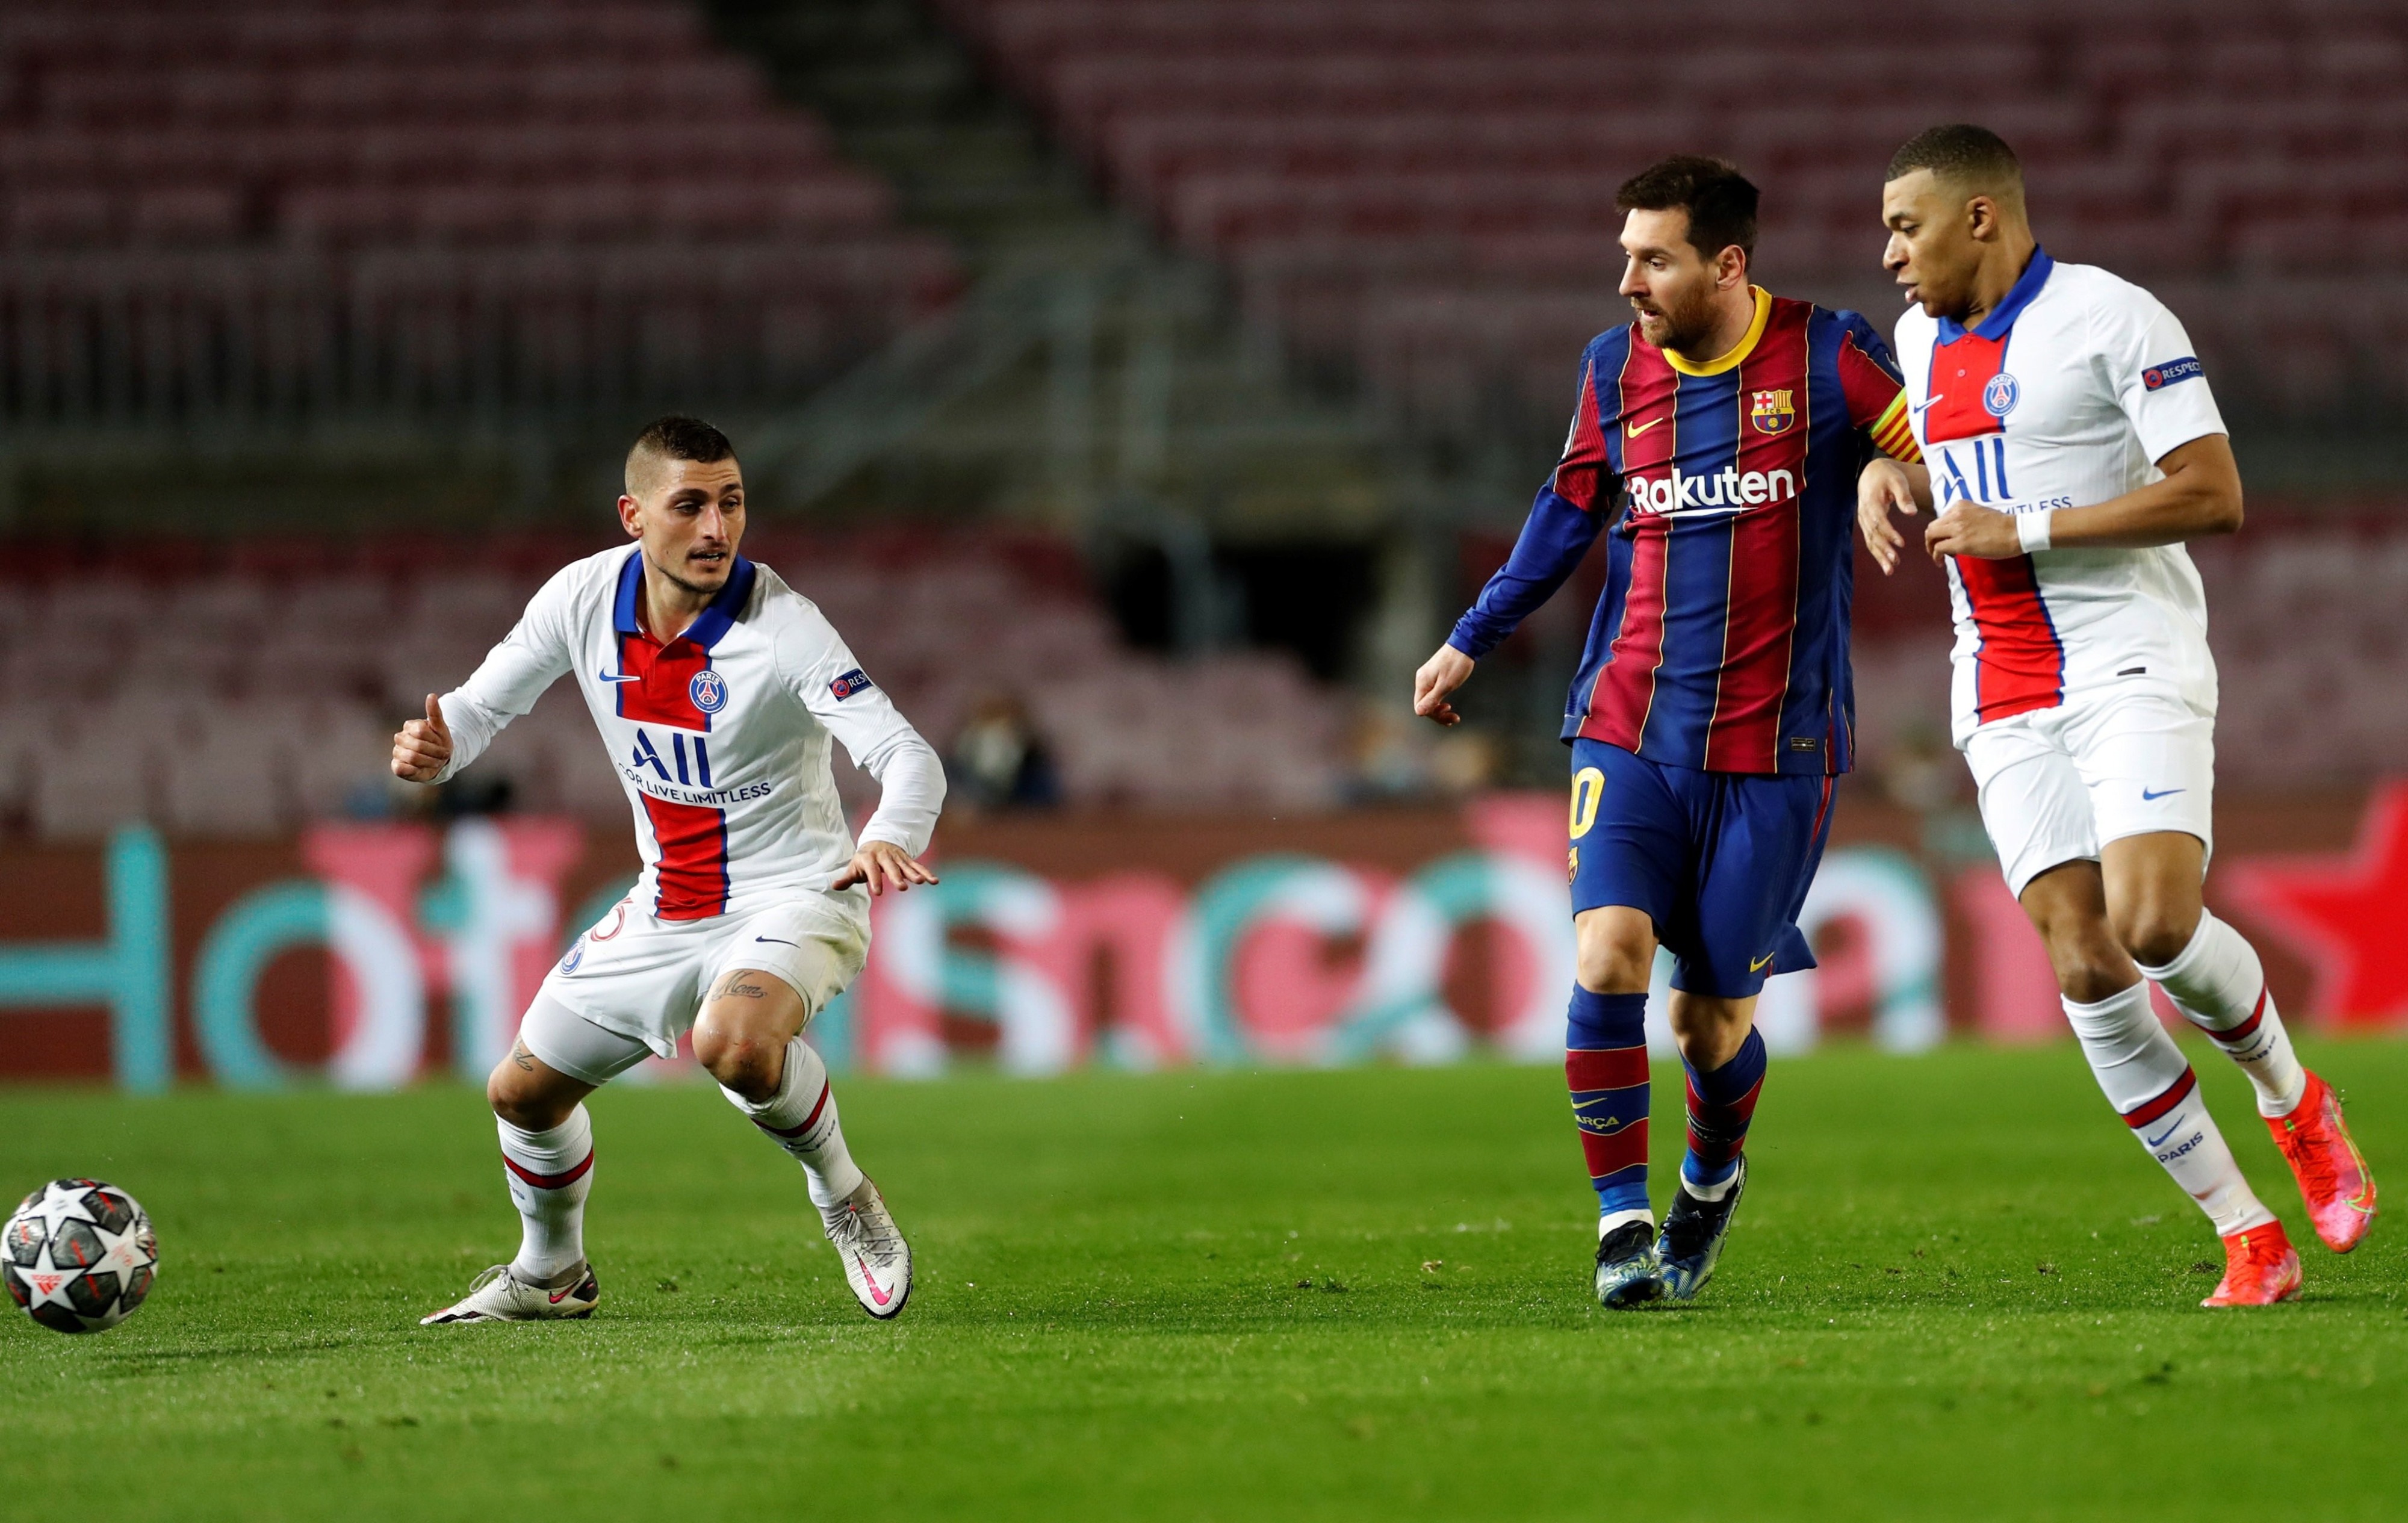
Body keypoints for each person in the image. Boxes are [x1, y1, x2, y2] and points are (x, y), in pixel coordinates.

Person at [1860, 125, 2376, 1306]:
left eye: (1904, 224)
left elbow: (2213, 491)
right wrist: (1881, 472)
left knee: (2151, 923)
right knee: (2084, 960)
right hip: (1996, 683)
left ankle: (2292, 1099)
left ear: (1978, 217)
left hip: (2126, 656)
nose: (1888, 253)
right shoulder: (1913, 338)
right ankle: (2246, 1232)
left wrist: (2024, 531)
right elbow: (1944, 452)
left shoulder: (2111, 317)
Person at [1414, 157, 1922, 1307]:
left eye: (1656, 259)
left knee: (1706, 1024)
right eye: (1625, 258)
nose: (1630, 282)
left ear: (1727, 263)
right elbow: (1563, 517)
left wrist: (1887, 479)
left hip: (1780, 747)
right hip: (1629, 724)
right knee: (1607, 955)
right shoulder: (1612, 369)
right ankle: (1621, 1225)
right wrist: (1469, 639)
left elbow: (1928, 445)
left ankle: (1708, 1178)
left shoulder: (1830, 355)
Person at [394, 415, 946, 1324]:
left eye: (731, 503)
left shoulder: (783, 627)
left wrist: (891, 829)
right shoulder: (580, 599)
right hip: (668, 906)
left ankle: (844, 1195)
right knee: (521, 1092)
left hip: (799, 892)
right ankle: (551, 1270)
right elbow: (475, 710)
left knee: (732, 1044)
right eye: (690, 506)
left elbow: (907, 753)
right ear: (633, 516)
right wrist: (439, 748)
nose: (717, 529)